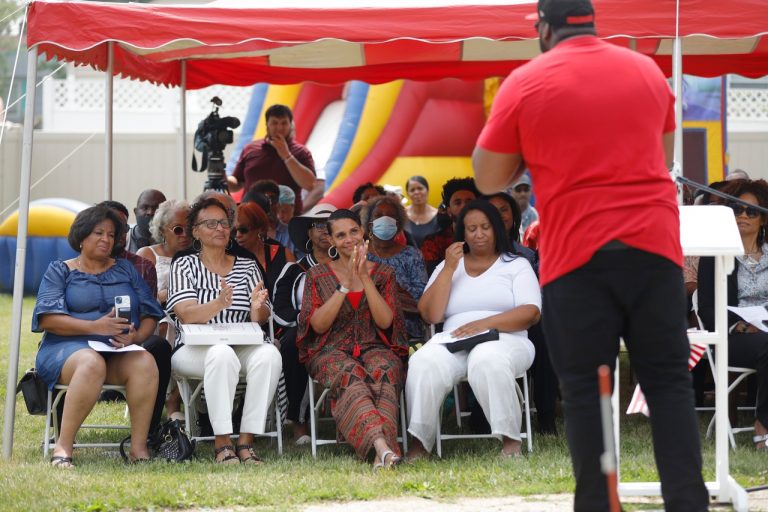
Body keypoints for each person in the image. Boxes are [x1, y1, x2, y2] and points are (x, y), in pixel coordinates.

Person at [472, 0, 709, 509]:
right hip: (653, 247)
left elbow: (489, 179)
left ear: (543, 27)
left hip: (578, 255)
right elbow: (662, 150)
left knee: (586, 393)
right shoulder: (646, 71)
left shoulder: (526, 81)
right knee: (669, 385)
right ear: (593, 21)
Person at [405, 200, 540, 459]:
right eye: (472, 228)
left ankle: (511, 443)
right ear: (462, 233)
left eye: (485, 227)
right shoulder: (450, 266)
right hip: (454, 339)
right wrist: (448, 269)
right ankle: (420, 444)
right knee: (423, 360)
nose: (479, 234)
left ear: (497, 229)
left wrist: (484, 324)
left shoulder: (515, 265)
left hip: (507, 339)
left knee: (486, 358)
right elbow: (430, 314)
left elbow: (531, 313)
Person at [33, 206, 163, 467]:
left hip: (117, 350)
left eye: (111, 234)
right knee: (91, 363)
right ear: (82, 237)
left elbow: (151, 314)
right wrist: (95, 326)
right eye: (98, 233)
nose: (106, 239)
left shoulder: (126, 270)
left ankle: (138, 449)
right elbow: (48, 319)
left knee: (146, 361)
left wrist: (136, 338)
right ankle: (63, 447)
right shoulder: (61, 271)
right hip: (66, 350)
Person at [167, 197, 282, 464]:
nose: (219, 228)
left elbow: (262, 316)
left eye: (224, 223)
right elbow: (186, 314)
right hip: (194, 349)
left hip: (241, 343)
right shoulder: (185, 264)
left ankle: (246, 441)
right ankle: (222, 443)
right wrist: (219, 303)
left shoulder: (247, 265)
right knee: (221, 354)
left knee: (269, 355)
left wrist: (256, 307)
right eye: (210, 223)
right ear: (195, 231)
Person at [296, 209, 408, 469]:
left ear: (363, 232)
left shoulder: (383, 274)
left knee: (385, 370)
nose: (349, 239)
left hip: (375, 346)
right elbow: (318, 325)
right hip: (329, 350)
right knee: (351, 375)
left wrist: (364, 278)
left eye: (354, 232)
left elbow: (385, 322)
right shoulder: (317, 275)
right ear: (332, 241)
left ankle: (380, 454)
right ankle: (383, 447)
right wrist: (345, 284)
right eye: (341, 235)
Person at [698, 179, 768, 451]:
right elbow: (706, 308)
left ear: (763, 219)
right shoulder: (715, 256)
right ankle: (763, 425)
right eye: (737, 209)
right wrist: (739, 326)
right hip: (733, 339)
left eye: (751, 211)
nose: (743, 216)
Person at [273, 203, 336, 444]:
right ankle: (298, 422)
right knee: (292, 343)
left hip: (346, 331)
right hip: (305, 331)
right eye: (318, 225)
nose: (325, 231)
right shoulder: (295, 269)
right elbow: (280, 311)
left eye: (331, 226)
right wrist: (311, 318)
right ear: (308, 233)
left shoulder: (351, 267)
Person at [137, 199, 191, 422]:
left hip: (190, 318)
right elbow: (139, 298)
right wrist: (165, 296)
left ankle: (178, 396)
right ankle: (171, 401)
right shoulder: (148, 254)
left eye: (190, 229)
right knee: (168, 325)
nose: (185, 235)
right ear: (162, 230)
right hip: (157, 319)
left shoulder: (198, 257)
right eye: (178, 229)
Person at [361, 195, 428, 341]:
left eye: (391, 216)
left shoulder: (412, 255)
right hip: (367, 331)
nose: (385, 220)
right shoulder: (360, 255)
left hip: (407, 331)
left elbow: (421, 298)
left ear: (398, 224)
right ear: (369, 223)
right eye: (378, 215)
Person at [228, 104, 316, 213]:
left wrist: (286, 155)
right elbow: (237, 183)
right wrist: (223, 178)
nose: (279, 128)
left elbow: (310, 185)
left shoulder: (302, 152)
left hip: (287, 221)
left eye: (284, 123)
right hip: (252, 218)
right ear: (267, 125)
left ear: (290, 125)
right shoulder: (250, 149)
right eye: (274, 123)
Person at [420, 177, 479, 275]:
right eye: (458, 203)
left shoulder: (489, 238)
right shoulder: (433, 243)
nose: (464, 206)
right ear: (448, 210)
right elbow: (432, 279)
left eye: (469, 202)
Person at [235, 201, 295, 294]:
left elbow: (296, 290)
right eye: (234, 231)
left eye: (243, 230)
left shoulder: (283, 254)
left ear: (259, 228)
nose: (238, 235)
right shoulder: (229, 258)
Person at [246, 179, 296, 254]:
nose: (268, 206)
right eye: (263, 201)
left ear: (278, 204)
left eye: (272, 200)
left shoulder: (293, 234)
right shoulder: (244, 234)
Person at [404, 175, 440, 248]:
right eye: (412, 190)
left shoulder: (439, 216)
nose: (416, 192)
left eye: (420, 188)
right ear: (407, 193)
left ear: (427, 190)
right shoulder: (401, 215)